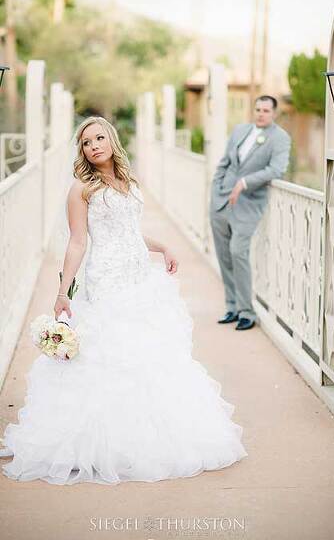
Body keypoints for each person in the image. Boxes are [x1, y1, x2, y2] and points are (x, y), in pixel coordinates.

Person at [0, 117, 247, 485]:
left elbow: (129, 233)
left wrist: (161, 247)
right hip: (107, 278)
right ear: (81, 151)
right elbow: (78, 242)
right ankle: (104, 443)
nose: (94, 145)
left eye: (100, 137)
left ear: (112, 140)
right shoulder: (81, 189)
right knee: (112, 354)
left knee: (149, 353)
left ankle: (148, 438)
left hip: (140, 278)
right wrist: (62, 292)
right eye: (86, 142)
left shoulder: (128, 182)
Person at [209, 95, 292, 331]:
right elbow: (225, 163)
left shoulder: (280, 138)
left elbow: (276, 169)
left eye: (266, 110)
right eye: (258, 109)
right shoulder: (240, 131)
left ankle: (247, 311)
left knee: (238, 251)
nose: (261, 113)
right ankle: (232, 307)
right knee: (224, 256)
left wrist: (245, 182)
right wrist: (215, 191)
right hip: (221, 201)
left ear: (274, 113)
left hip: (248, 204)